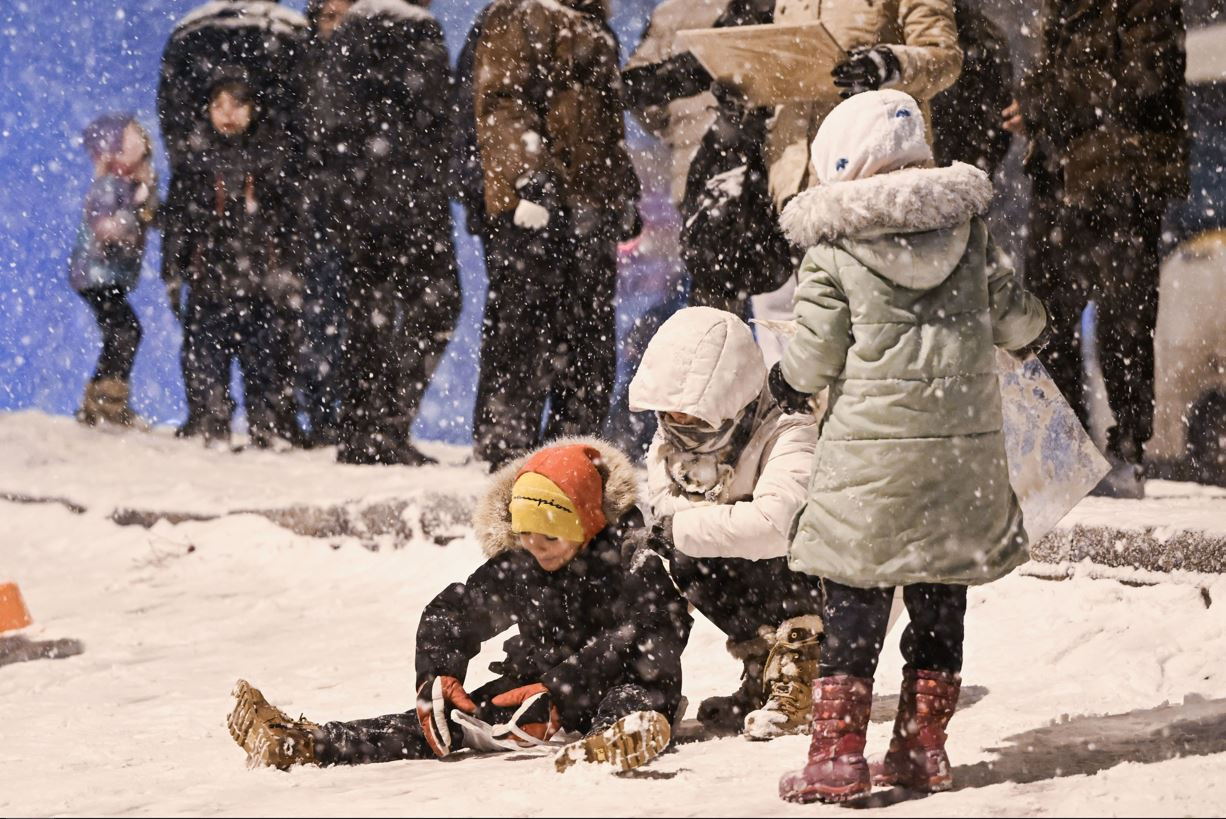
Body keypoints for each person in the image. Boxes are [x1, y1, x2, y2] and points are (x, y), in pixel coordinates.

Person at [769, 90, 1047, 802]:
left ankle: (836, 755)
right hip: (961, 461)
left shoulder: (833, 251)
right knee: (939, 598)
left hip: (871, 465)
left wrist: (782, 376)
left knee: (857, 605)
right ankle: (923, 747)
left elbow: (812, 361)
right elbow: (1021, 324)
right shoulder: (971, 234)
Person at [226, 441, 692, 774]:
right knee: (446, 723)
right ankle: (308, 743)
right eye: (525, 535)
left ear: (588, 524)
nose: (535, 547)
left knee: (635, 697)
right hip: (535, 691)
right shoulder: (524, 562)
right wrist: (438, 673)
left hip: (622, 680)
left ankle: (619, 738)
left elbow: (652, 636)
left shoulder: (635, 558)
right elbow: (454, 611)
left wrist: (563, 690)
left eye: (549, 537)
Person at [1004, 0, 1189, 498]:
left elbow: (1142, 79)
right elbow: (1059, 74)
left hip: (1121, 175)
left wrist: (1045, 103)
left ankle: (1125, 450)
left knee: (1124, 319)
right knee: (1046, 318)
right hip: (1062, 176)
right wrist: (1036, 104)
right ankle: (1062, 452)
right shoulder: (1062, 10)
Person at [627, 307, 822, 740]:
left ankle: (801, 672)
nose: (677, 426)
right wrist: (679, 532)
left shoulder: (791, 428)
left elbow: (778, 526)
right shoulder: (671, 438)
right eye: (671, 414)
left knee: (741, 545)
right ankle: (762, 668)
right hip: (755, 562)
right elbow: (668, 511)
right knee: (683, 558)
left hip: (830, 577)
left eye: (691, 417)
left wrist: (681, 529)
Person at [470, 0, 642, 470]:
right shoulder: (522, 12)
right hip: (537, 209)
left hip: (589, 206)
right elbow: (501, 102)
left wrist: (623, 191)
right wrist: (530, 175)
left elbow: (608, 128)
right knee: (524, 334)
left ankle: (571, 457)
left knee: (588, 341)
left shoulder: (594, 26)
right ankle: (507, 459)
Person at [752, 0, 963, 367]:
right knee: (804, 341)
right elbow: (778, 67)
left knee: (879, 344)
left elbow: (945, 59)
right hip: (791, 180)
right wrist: (744, 85)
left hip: (874, 186)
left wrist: (890, 64)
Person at [316, 0, 462, 465]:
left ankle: (363, 430)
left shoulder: (350, 33)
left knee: (368, 316)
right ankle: (385, 427)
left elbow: (330, 122)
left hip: (364, 203)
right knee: (430, 308)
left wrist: (345, 192)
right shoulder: (416, 29)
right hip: (409, 204)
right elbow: (438, 121)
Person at [158, 0, 307, 439]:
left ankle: (270, 421)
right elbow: (179, 219)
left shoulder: (273, 159)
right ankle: (209, 418)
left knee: (269, 355)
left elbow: (287, 219)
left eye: (238, 103)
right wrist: (174, 270)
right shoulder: (196, 162)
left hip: (263, 278)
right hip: (210, 278)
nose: (227, 112)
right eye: (218, 103)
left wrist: (290, 266)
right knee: (204, 354)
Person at [69, 115, 159, 428]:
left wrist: (146, 192)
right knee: (125, 332)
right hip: (97, 276)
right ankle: (105, 403)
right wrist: (136, 207)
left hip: (109, 277)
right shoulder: (109, 185)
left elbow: (146, 218)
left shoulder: (129, 185)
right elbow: (107, 228)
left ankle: (99, 403)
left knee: (120, 333)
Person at [292, 0, 355, 446]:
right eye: (328, 16)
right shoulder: (302, 62)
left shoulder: (367, 62)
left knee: (345, 313)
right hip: (311, 208)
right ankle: (316, 411)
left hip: (353, 206)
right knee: (316, 310)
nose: (335, 27)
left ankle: (337, 410)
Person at [930, 0, 1014, 178]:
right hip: (962, 170)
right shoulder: (986, 35)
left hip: (956, 168)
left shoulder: (984, 38)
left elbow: (998, 123)